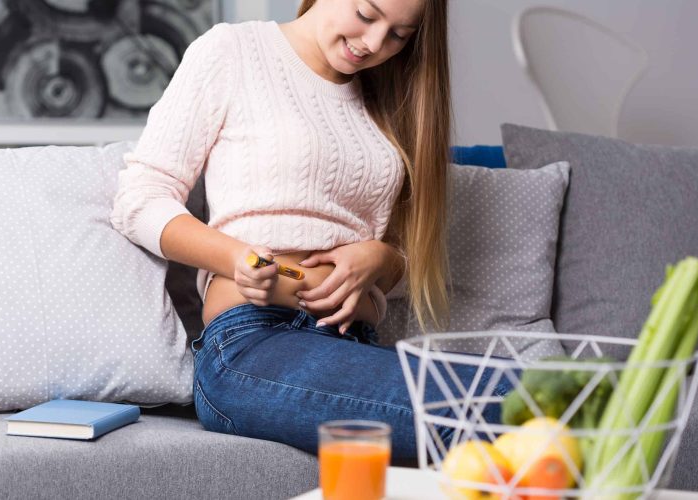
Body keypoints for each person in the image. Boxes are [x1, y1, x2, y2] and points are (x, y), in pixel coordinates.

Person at [110, 0, 514, 459]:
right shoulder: (233, 52)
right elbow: (139, 198)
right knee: (513, 400)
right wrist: (237, 258)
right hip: (254, 344)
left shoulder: (388, 95)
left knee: (543, 389)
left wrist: (383, 259)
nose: (375, 43)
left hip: (354, 343)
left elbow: (400, 260)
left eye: (400, 35)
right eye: (366, 14)